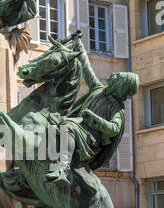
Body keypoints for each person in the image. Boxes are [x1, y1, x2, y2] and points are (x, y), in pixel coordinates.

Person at [45, 40, 139, 186]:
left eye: (118, 77)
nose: (113, 75)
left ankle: (61, 170)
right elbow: (87, 68)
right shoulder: (98, 89)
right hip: (79, 126)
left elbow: (114, 129)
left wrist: (96, 119)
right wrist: (79, 45)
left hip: (89, 140)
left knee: (67, 128)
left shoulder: (117, 110)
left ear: (121, 85)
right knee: (51, 123)